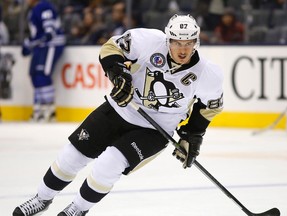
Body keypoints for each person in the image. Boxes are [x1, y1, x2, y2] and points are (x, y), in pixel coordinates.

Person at [13, 14, 224, 216]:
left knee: (109, 164)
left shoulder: (207, 73)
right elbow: (110, 47)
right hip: (120, 108)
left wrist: (192, 135)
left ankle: (78, 208)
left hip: (155, 130)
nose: (183, 49)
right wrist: (118, 73)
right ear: (168, 39)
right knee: (72, 155)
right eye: (177, 42)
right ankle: (42, 199)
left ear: (196, 42)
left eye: (188, 43)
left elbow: (210, 106)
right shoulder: (148, 40)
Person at [21, 0, 65, 122]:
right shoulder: (35, 8)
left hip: (51, 45)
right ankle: (38, 109)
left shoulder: (44, 6)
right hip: (42, 46)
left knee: (42, 75)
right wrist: (30, 42)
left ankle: (49, 111)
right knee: (34, 75)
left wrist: (31, 43)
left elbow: (49, 33)